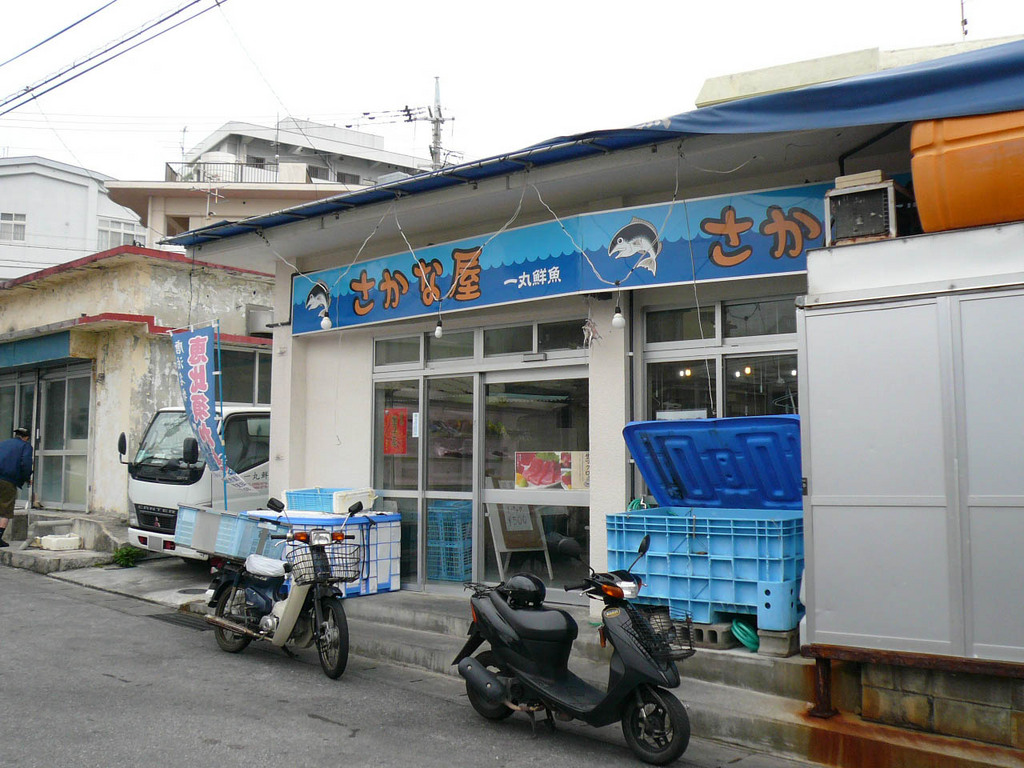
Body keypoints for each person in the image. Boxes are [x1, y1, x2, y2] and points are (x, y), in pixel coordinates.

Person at [0, 427, 33, 547]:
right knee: (6, 509)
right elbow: (26, 464)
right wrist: (26, 478)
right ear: (26, 437)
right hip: (8, 480)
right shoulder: (25, 446)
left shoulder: (3, 443)